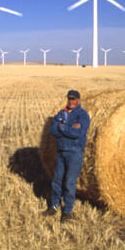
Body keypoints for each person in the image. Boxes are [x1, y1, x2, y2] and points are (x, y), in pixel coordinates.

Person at [42, 89, 90, 222]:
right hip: (61, 152)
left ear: (78, 100)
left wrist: (62, 128)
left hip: (74, 153)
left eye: (74, 99)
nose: (71, 101)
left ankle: (67, 211)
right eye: (69, 98)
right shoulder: (61, 113)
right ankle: (54, 206)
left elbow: (78, 133)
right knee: (56, 180)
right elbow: (53, 131)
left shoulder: (83, 115)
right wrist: (68, 128)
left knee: (69, 182)